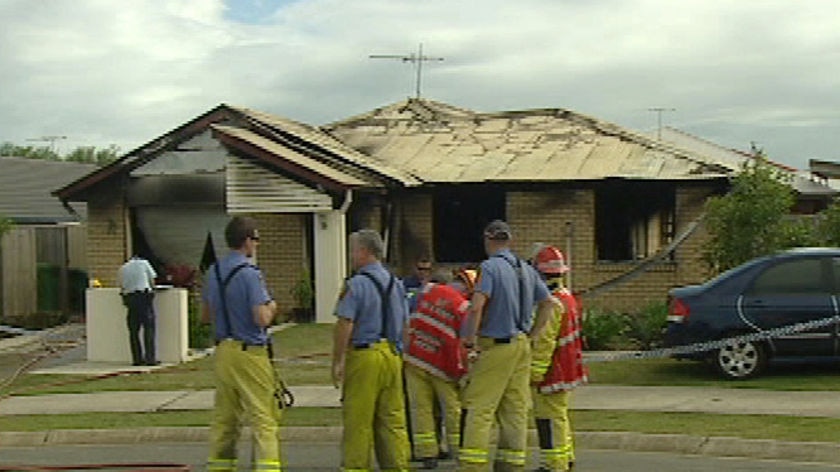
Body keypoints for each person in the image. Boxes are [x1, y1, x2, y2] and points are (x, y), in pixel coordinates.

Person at [459, 220, 558, 472]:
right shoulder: (525, 268)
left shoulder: (490, 268)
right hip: (521, 345)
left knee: (480, 409)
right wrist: (533, 334)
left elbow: (477, 306)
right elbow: (548, 304)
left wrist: (469, 340)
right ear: (510, 239)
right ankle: (511, 465)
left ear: (487, 238)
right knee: (514, 410)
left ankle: (473, 466)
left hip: (495, 345)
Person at [202, 216, 283, 472]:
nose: (257, 245)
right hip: (250, 352)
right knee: (263, 418)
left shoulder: (214, 272)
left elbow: (206, 315)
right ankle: (268, 468)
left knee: (225, 418)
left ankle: (220, 466)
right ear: (247, 241)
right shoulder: (250, 274)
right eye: (256, 240)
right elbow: (261, 318)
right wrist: (272, 307)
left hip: (224, 350)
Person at [332, 229, 412, 471]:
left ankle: (356, 467)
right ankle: (397, 466)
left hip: (365, 357)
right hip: (392, 354)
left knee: (359, 419)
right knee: (392, 420)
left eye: (353, 251)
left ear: (364, 251)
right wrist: (402, 355)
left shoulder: (355, 285)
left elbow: (345, 323)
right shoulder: (396, 284)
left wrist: (338, 360)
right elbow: (406, 325)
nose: (351, 256)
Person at [404, 270, 473, 469]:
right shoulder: (462, 305)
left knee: (421, 407)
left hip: (416, 357)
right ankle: (458, 450)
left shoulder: (424, 293)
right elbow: (465, 339)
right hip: (442, 364)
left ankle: (427, 454)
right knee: (452, 408)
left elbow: (408, 319)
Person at [531, 246, 588, 472]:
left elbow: (545, 341)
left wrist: (536, 372)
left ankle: (554, 464)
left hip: (552, 371)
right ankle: (565, 458)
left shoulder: (552, 303)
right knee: (559, 417)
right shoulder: (567, 298)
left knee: (548, 419)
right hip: (566, 368)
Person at [118, 254, 158, 366]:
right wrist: (153, 291)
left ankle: (137, 359)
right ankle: (150, 359)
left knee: (133, 331)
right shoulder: (144, 263)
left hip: (130, 299)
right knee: (149, 328)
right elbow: (152, 280)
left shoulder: (123, 267)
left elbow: (121, 286)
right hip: (143, 297)